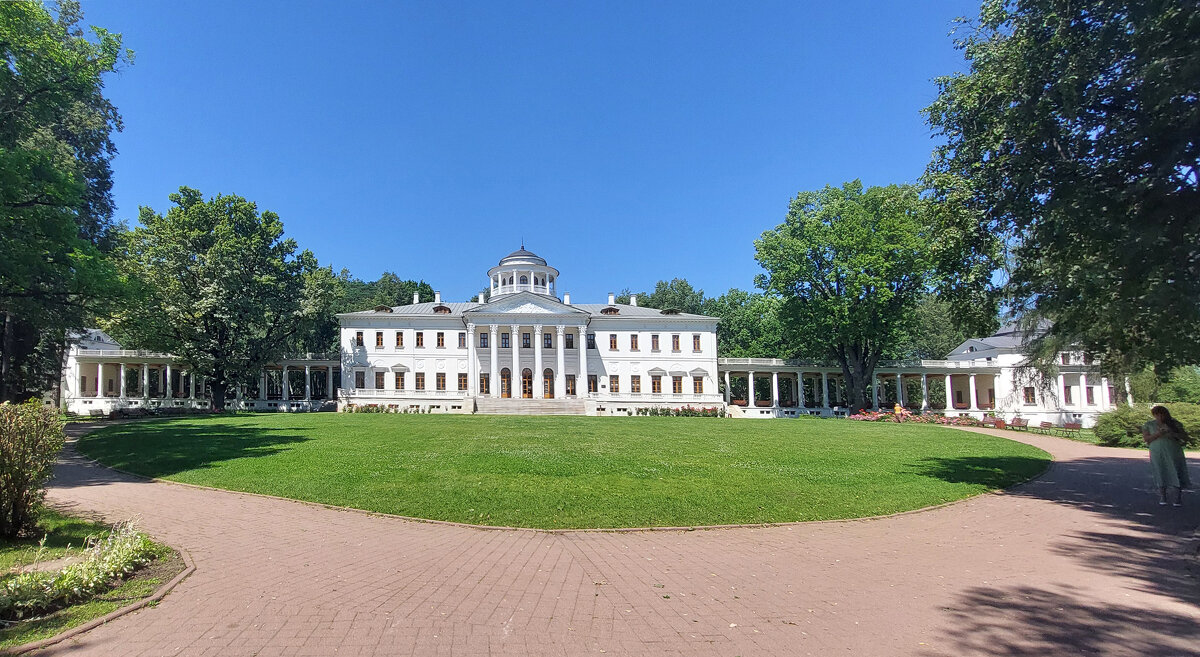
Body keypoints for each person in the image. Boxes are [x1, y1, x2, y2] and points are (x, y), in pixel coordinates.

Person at [1141, 405, 1191, 506]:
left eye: (1161, 414)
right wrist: (1158, 433)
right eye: (1157, 414)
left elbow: (1184, 437)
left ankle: (1178, 498)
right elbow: (1146, 439)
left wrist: (1172, 433)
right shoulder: (1149, 424)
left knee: (1176, 470)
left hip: (1173, 451)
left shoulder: (1175, 423)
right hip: (1157, 452)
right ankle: (1163, 496)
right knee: (1160, 471)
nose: (1159, 416)